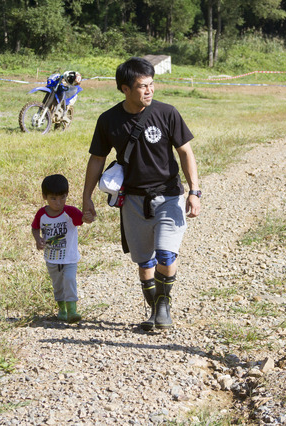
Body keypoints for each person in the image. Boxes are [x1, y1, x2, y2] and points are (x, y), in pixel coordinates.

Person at [82, 57, 201, 331]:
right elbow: (97, 160)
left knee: (166, 255)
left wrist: (195, 191)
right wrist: (86, 196)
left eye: (151, 84)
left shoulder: (167, 113)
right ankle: (154, 309)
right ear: (125, 89)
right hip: (132, 200)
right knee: (144, 260)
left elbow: (186, 152)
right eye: (141, 86)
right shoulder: (108, 120)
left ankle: (163, 306)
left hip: (169, 195)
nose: (149, 90)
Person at [32, 174, 85, 324]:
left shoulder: (70, 212)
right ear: (45, 197)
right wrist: (38, 240)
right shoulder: (42, 214)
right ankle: (62, 309)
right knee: (57, 285)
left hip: (69, 257)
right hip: (51, 258)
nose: (58, 202)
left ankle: (72, 310)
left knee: (69, 280)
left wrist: (88, 215)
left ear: (67, 195)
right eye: (53, 198)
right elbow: (35, 228)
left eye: (62, 197)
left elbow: (82, 219)